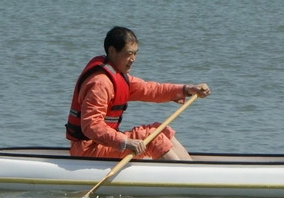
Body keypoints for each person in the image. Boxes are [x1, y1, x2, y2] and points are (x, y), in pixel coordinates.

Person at [66, 26, 210, 160]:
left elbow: (151, 90)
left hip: (104, 145)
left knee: (161, 130)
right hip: (87, 150)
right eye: (129, 54)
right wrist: (125, 142)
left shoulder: (119, 77)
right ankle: (185, 177)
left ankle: (190, 169)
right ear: (112, 51)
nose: (133, 59)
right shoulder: (100, 83)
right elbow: (91, 126)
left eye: (135, 53)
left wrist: (187, 89)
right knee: (152, 137)